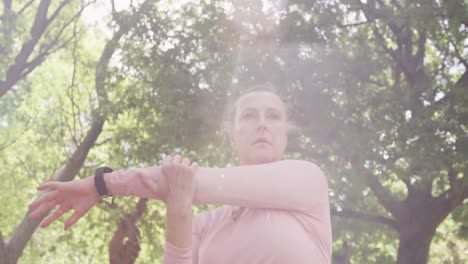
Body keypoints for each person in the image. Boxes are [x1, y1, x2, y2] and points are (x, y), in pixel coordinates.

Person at [28, 85, 332, 263]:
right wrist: (178, 204)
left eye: (273, 117)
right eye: (250, 116)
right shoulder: (205, 225)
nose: (262, 124)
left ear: (285, 136)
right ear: (231, 136)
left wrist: (101, 184)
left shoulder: (308, 181)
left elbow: (198, 184)